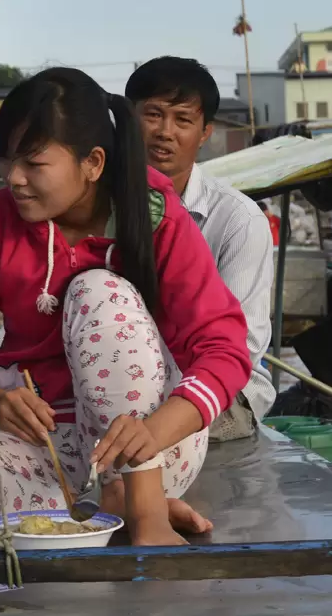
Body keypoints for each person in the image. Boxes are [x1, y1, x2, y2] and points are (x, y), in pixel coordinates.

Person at [0, 68, 251, 545]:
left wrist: (155, 431)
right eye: (7, 159)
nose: (14, 178)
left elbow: (225, 348)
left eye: (33, 162)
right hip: (45, 452)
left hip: (154, 448)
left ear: (92, 163)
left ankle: (146, 508)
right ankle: (98, 508)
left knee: (97, 291)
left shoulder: (159, 216)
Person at [125, 57, 276, 440]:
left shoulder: (238, 220)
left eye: (183, 120)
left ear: (205, 132)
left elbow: (242, 345)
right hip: (122, 379)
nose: (164, 132)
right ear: (128, 119)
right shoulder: (95, 206)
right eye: (153, 114)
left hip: (220, 390)